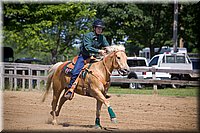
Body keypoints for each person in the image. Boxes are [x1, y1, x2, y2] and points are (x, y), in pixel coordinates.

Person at [64, 19, 110, 100]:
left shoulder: (102, 38)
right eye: (98, 28)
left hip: (95, 58)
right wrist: (99, 51)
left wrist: (110, 50)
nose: (100, 30)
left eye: (101, 28)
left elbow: (107, 46)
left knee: (104, 71)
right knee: (75, 71)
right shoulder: (88, 36)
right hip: (84, 57)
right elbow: (88, 47)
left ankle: (103, 90)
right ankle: (70, 89)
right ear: (94, 28)